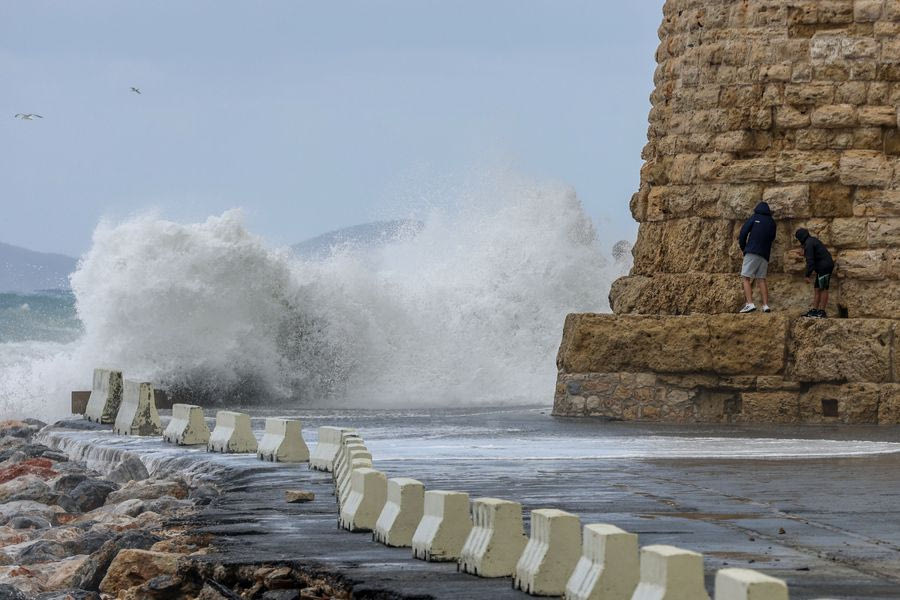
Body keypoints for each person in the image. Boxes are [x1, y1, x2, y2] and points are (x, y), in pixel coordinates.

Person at [737, 201, 776, 313]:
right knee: (761, 279)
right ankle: (765, 305)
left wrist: (744, 248)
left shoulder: (754, 218)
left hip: (752, 251)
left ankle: (749, 304)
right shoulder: (772, 222)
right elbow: (772, 237)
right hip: (764, 254)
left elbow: (743, 233)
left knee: (745, 277)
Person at [795, 228, 834, 318]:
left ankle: (822, 311)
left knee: (823, 288)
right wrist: (804, 253)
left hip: (824, 267)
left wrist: (807, 275)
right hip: (822, 267)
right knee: (817, 289)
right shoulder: (811, 241)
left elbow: (810, 261)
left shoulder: (808, 244)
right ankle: (814, 310)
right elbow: (814, 254)